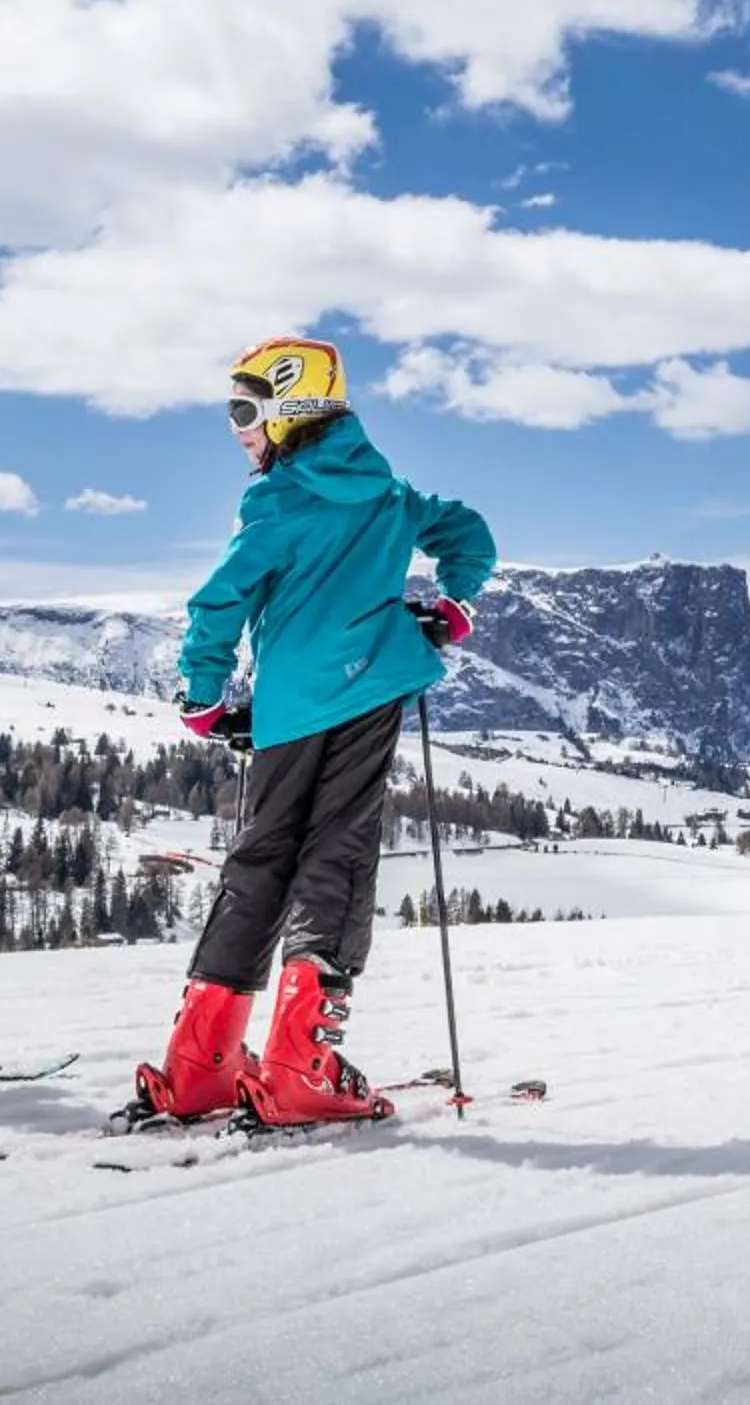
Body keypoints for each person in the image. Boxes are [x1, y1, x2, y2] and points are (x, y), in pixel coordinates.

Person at [132, 336, 496, 1126]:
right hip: (366, 694)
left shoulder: (277, 502)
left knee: (261, 858)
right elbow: (466, 531)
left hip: (289, 710)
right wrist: (453, 607)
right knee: (339, 852)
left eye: (244, 412)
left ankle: (201, 1066)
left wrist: (202, 696)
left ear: (291, 412)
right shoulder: (391, 497)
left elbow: (218, 602)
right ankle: (302, 1065)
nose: (236, 431)